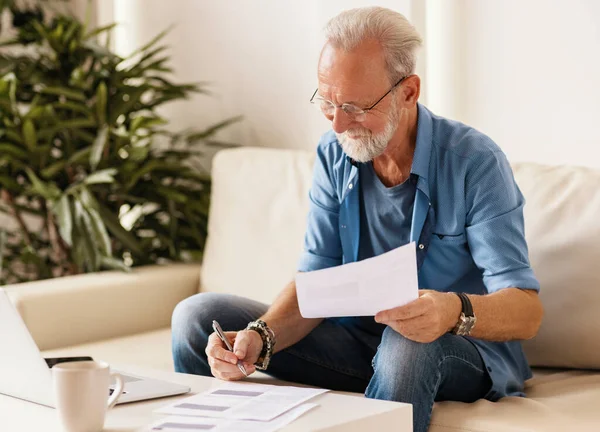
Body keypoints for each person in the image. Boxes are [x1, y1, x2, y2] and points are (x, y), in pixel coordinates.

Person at [171, 6, 543, 432]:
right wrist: (262, 334)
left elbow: (526, 312)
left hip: (453, 348)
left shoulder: (474, 162)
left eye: (354, 105)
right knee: (197, 317)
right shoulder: (335, 155)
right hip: (355, 342)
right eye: (327, 102)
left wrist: (450, 311)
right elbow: (314, 284)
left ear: (408, 91)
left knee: (408, 339)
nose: (337, 123)